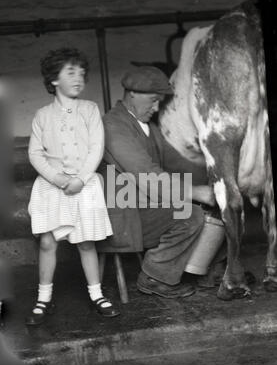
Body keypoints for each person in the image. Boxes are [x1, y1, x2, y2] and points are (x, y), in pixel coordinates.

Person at [100, 65, 216, 299]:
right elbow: (148, 177)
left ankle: (208, 270)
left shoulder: (148, 127)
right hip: (123, 214)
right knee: (189, 214)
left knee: (211, 210)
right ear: (132, 93)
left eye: (159, 102)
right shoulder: (113, 126)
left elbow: (178, 162)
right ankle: (155, 276)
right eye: (153, 101)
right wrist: (197, 192)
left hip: (143, 204)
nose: (156, 108)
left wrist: (214, 180)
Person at [26, 48, 119, 326]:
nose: (78, 78)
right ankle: (43, 298)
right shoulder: (42, 115)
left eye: (81, 73)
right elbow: (35, 153)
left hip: (84, 183)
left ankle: (96, 294)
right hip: (51, 186)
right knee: (46, 242)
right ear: (54, 79)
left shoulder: (90, 110)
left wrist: (80, 178)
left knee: (86, 241)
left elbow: (96, 148)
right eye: (70, 72)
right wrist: (57, 178)